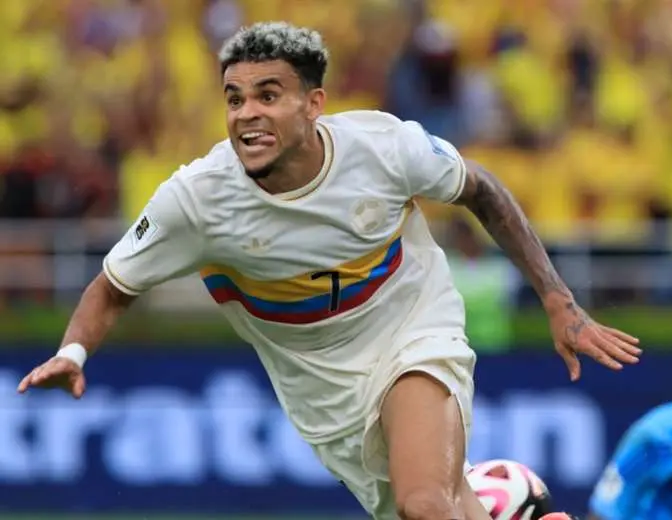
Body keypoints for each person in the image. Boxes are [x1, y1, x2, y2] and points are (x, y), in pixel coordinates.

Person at [17, 22, 640, 520]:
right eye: (234, 99)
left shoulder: (386, 147)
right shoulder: (196, 200)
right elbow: (113, 284)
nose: (245, 114)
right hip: (323, 393)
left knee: (426, 505)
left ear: (313, 103)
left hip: (412, 325)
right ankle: (506, 503)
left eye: (268, 95)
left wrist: (558, 300)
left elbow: (483, 190)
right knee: (431, 508)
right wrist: (74, 352)